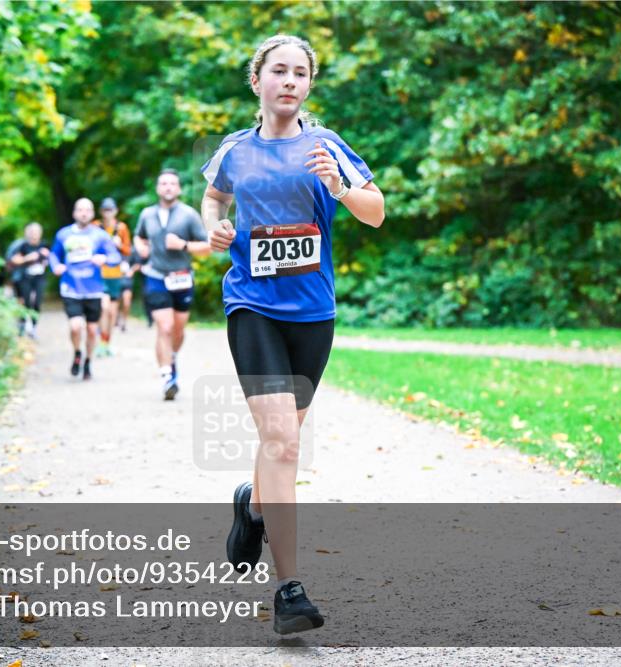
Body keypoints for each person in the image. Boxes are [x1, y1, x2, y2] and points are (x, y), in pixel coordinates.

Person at [200, 34, 384, 635]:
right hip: (251, 304)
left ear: (308, 85)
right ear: (257, 81)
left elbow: (375, 211)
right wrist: (217, 229)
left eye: (300, 73)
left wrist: (339, 186)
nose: (289, 81)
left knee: (284, 438)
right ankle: (289, 589)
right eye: (278, 71)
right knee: (281, 438)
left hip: (312, 314)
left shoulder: (325, 146)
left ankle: (253, 506)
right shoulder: (234, 149)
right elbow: (213, 197)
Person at [133, 169, 211, 400]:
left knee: (178, 329)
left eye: (172, 184)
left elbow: (208, 247)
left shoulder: (188, 215)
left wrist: (184, 245)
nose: (168, 187)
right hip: (156, 276)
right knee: (164, 327)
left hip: (182, 278)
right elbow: (139, 236)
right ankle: (167, 376)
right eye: (163, 183)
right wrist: (140, 247)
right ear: (158, 188)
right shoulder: (147, 214)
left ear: (178, 189)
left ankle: (172, 357)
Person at [49, 198, 116, 380]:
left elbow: (115, 256)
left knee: (92, 330)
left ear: (93, 213)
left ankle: (88, 361)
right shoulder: (63, 234)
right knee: (75, 326)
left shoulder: (100, 235)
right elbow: (54, 255)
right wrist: (56, 266)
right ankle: (77, 353)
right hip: (71, 287)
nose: (84, 213)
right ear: (74, 213)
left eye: (88, 210)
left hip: (93, 289)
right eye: (80, 210)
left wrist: (105, 259)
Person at [95, 197, 131, 356]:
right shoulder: (96, 227)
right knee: (104, 308)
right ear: (101, 212)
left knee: (112, 312)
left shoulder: (121, 228)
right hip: (99, 274)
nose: (108, 213)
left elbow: (128, 250)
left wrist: (119, 245)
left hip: (116, 274)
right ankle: (101, 339)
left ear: (115, 211)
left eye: (111, 209)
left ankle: (107, 342)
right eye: (105, 210)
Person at [5, 222, 49, 338]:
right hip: (23, 278)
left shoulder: (44, 245)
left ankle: (33, 328)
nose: (34, 235)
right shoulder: (21, 245)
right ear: (27, 233)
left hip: (39, 278)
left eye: (37, 232)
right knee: (25, 302)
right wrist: (28, 258)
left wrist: (46, 258)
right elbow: (13, 260)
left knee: (37, 302)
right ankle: (22, 326)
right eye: (32, 232)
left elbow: (49, 260)